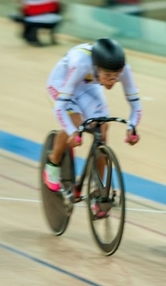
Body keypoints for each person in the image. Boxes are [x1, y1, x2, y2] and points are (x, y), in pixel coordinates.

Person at [43, 38, 141, 217]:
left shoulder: (123, 69)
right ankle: (53, 161)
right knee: (76, 122)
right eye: (108, 76)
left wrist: (132, 127)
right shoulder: (81, 64)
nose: (113, 81)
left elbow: (135, 104)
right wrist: (73, 133)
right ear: (97, 68)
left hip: (88, 86)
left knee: (102, 129)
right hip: (62, 83)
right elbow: (60, 107)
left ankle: (100, 189)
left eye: (116, 76)